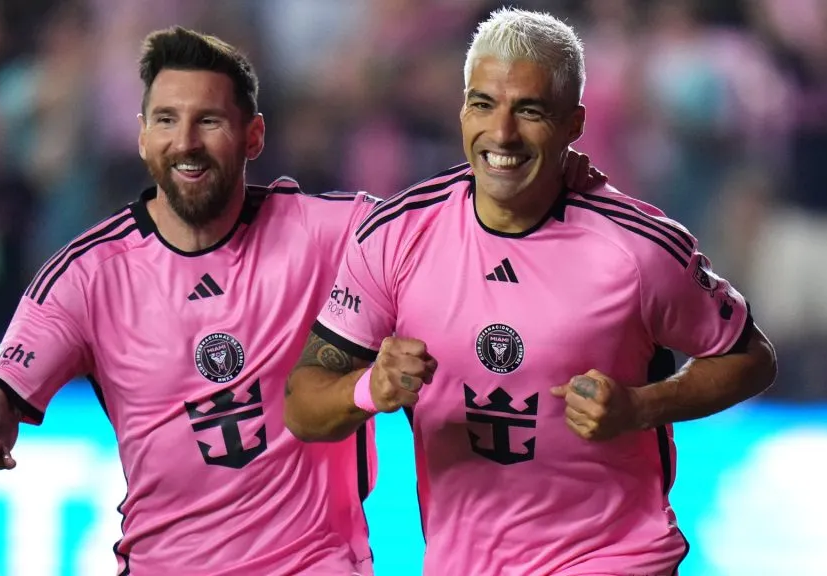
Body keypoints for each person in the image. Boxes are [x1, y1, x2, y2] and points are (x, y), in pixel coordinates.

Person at [0, 25, 607, 575]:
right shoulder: (90, 275)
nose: (186, 142)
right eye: (167, 121)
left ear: (252, 137)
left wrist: (548, 176)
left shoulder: (328, 232)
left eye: (209, 121)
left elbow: (453, 221)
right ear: (144, 137)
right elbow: (1, 388)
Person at [285, 8, 777, 576]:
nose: (502, 134)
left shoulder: (638, 249)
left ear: (574, 123)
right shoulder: (396, 237)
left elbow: (751, 359)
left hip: (614, 559)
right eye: (484, 104)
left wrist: (642, 406)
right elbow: (304, 406)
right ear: (463, 109)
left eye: (530, 111)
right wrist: (369, 387)